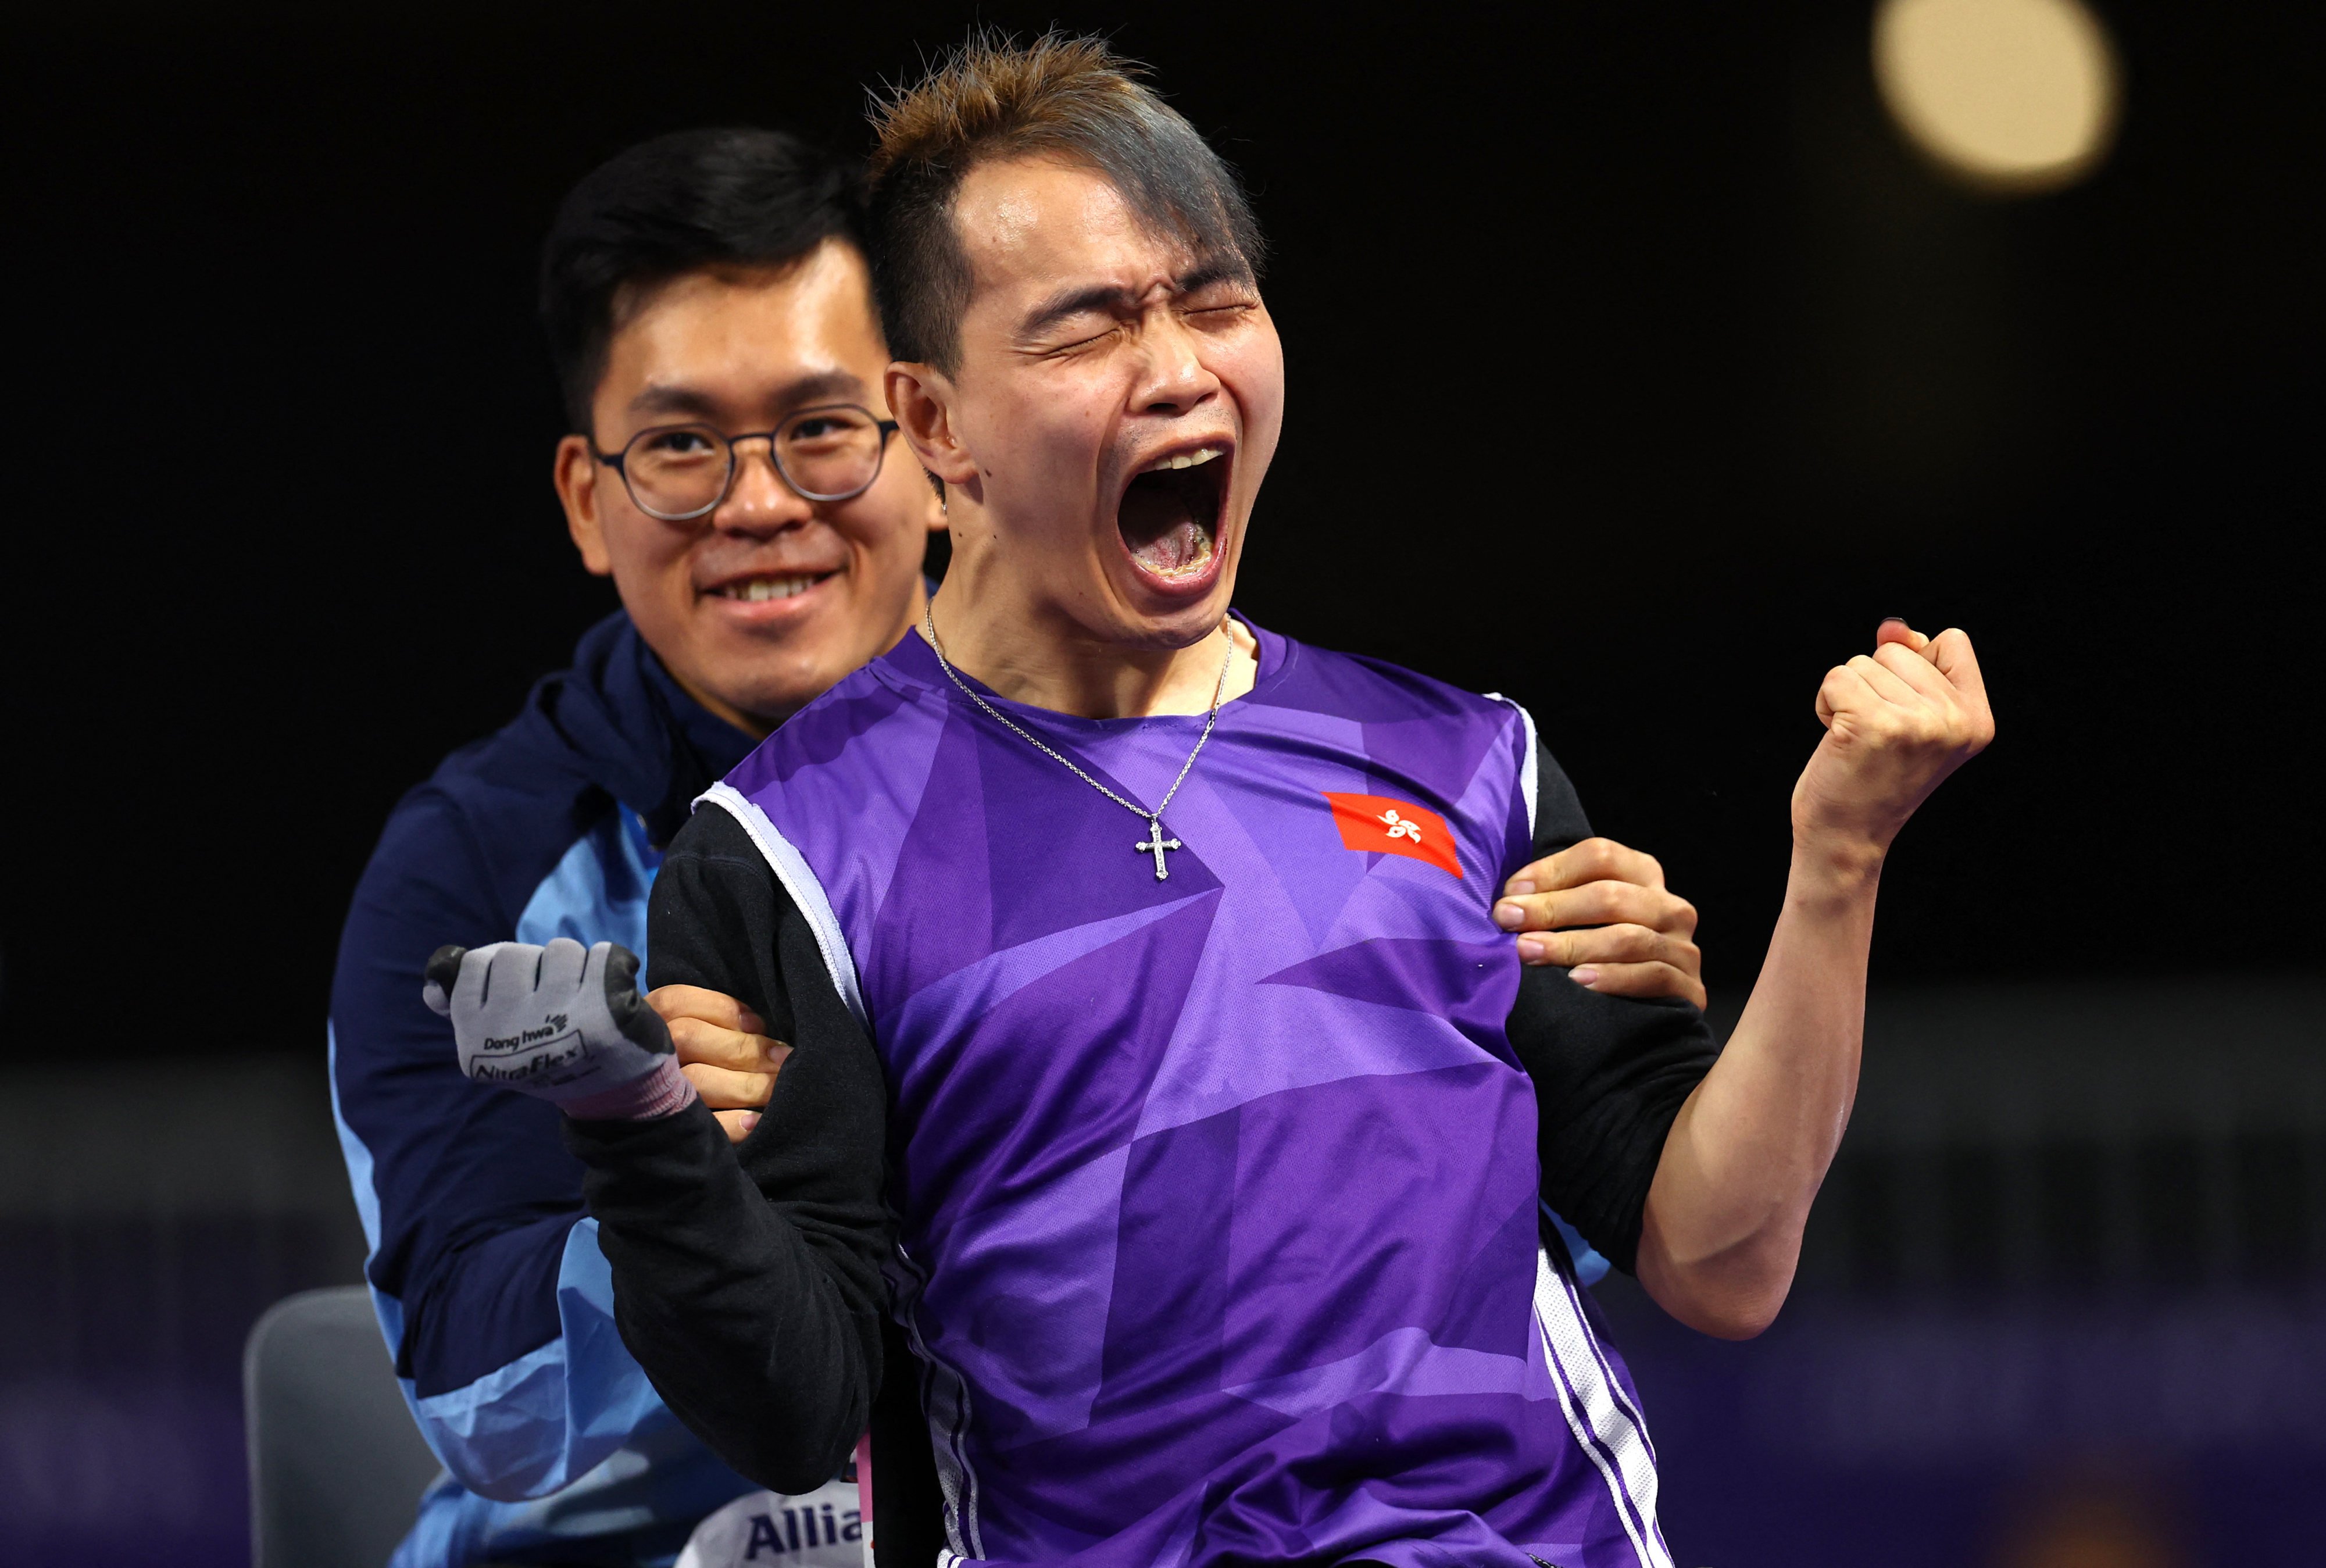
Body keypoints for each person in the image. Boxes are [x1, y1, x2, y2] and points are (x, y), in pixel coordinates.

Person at [436, 34, 1994, 1567]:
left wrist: (1839, 857)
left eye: (1215, 299)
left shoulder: (1468, 762)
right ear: (934, 427)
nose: (1179, 368)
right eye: (1092, 325)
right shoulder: (791, 853)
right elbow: (793, 1405)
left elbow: (1718, 1257)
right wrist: (638, 1126)